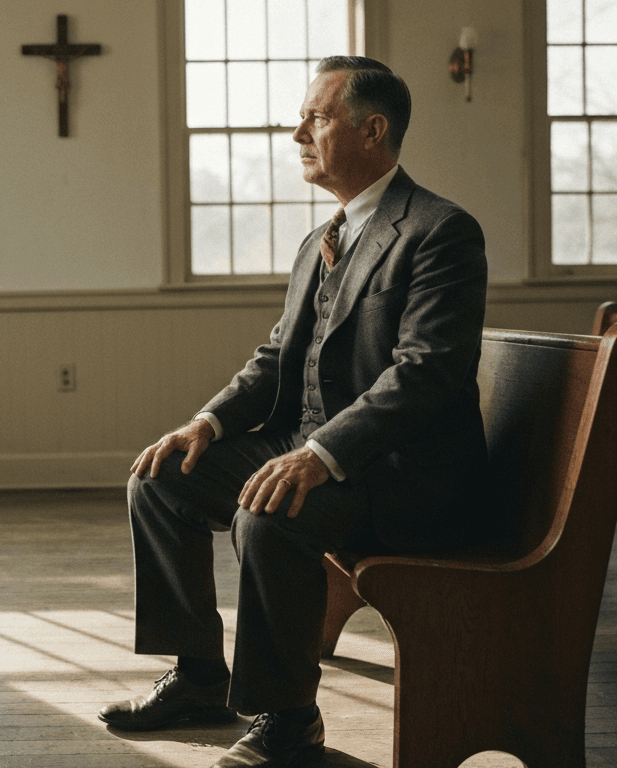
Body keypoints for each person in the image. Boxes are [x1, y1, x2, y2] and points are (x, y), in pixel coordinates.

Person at [99, 56, 489, 768]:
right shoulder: (320, 240)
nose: (297, 133)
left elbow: (425, 373)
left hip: (399, 471)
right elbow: (278, 355)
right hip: (306, 446)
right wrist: (206, 424)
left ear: (372, 130)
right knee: (159, 479)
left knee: (270, 515)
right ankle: (199, 678)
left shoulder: (440, 230)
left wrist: (319, 455)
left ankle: (288, 719)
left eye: (317, 117)